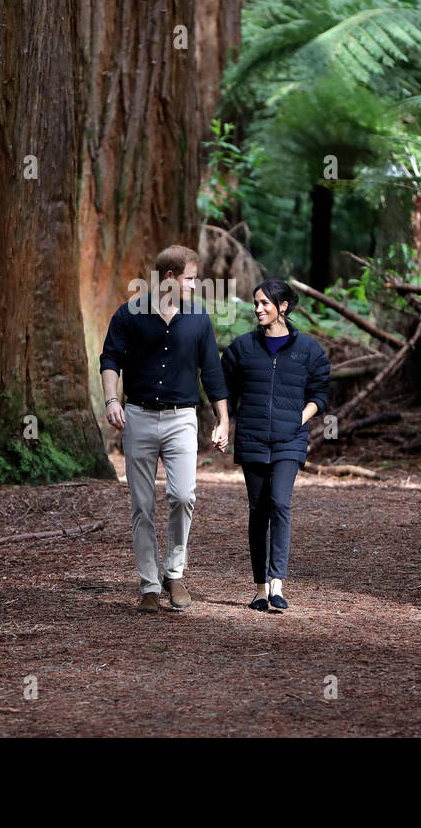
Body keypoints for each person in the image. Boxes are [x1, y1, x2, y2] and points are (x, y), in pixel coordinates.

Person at [100, 246, 230, 614]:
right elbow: (110, 358)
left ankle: (175, 573)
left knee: (184, 495)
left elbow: (213, 372)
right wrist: (112, 401)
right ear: (170, 277)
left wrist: (223, 419)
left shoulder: (199, 319)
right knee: (142, 505)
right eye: (190, 277)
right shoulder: (129, 315)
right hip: (138, 416)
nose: (195, 283)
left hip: (181, 419)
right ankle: (149, 585)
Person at [220, 279, 330, 612]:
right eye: (256, 303)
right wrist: (223, 422)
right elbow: (222, 389)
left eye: (265, 303)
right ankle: (258, 588)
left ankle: (277, 584)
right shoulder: (241, 348)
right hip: (252, 439)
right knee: (258, 510)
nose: (258, 309)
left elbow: (321, 394)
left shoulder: (308, 350)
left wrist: (298, 419)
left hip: (289, 440)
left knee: (280, 503)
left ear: (283, 307)